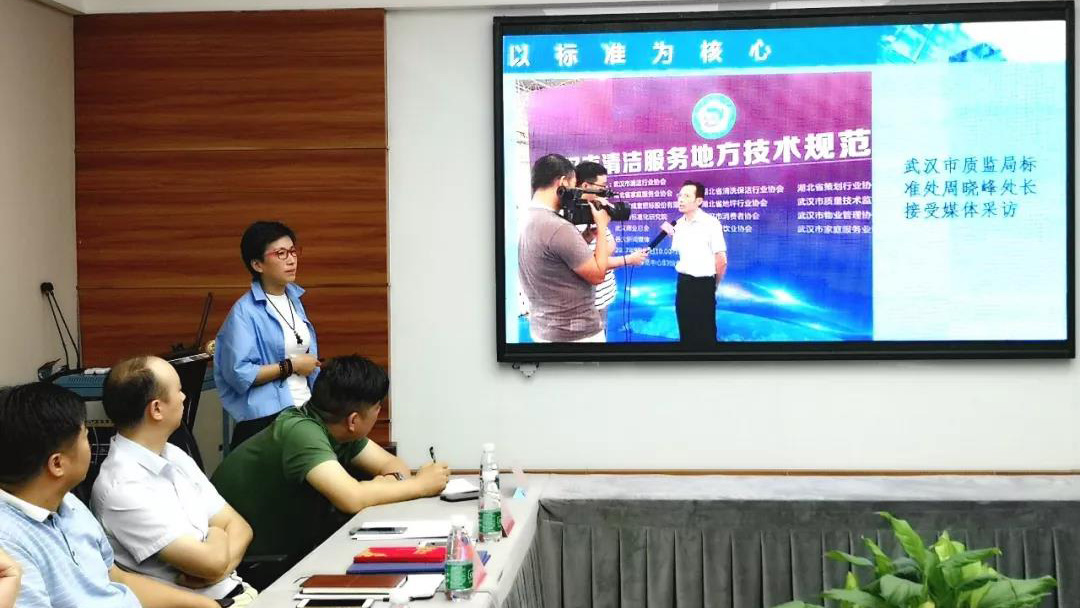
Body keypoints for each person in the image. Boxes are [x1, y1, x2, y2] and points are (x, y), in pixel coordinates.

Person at [212, 356, 449, 585]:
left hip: (291, 550)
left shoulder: (336, 428)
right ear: (354, 420)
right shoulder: (301, 432)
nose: (379, 412)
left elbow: (393, 465)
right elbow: (352, 498)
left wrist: (390, 481)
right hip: (249, 564)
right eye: (377, 407)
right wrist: (420, 485)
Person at [0, 382, 219, 608]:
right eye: (85, 437)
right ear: (57, 464)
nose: (90, 446)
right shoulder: (8, 543)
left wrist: (204, 605)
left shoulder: (67, 502)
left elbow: (114, 579)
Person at [93, 356, 258, 606]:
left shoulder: (172, 454)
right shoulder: (122, 486)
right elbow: (210, 562)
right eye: (179, 390)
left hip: (239, 592)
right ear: (156, 409)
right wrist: (217, 533)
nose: (183, 397)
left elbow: (241, 528)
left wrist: (218, 567)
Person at [215, 221, 322, 449]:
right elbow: (240, 373)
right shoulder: (244, 312)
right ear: (257, 264)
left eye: (293, 251)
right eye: (281, 253)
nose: (291, 260)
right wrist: (292, 366)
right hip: (268, 419)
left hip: (305, 408)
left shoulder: (294, 299)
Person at [518, 154, 612, 342]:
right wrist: (602, 227)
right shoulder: (558, 227)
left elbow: (552, 261)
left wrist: (585, 238)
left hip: (544, 329)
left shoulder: (529, 217)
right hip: (575, 336)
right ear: (562, 183)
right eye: (574, 185)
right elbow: (597, 275)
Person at [575, 161, 649, 336]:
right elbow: (589, 266)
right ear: (585, 186)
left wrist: (597, 256)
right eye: (602, 186)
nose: (605, 191)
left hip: (604, 295)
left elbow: (611, 245)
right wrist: (628, 259)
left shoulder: (597, 210)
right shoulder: (573, 217)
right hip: (587, 302)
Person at [661, 181, 728, 346]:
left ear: (699, 201)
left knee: (705, 333)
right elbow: (684, 251)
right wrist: (672, 234)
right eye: (680, 195)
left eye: (686, 196)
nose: (681, 199)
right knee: (685, 330)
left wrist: (714, 285)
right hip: (683, 283)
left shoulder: (711, 223)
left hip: (704, 285)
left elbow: (721, 260)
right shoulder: (679, 224)